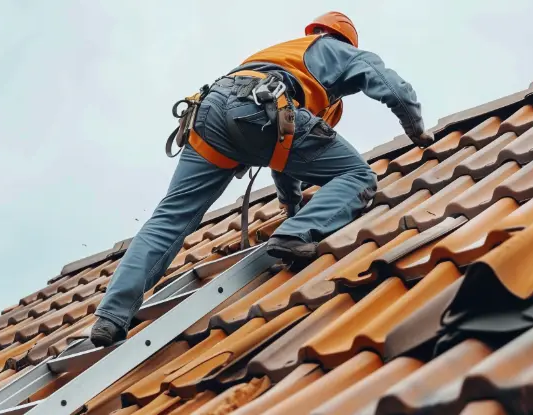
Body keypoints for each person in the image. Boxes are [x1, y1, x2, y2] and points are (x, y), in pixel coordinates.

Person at [90, 11, 432, 346]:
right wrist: (417, 131)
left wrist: (292, 205)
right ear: (341, 40)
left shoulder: (286, 53)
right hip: (258, 110)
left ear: (315, 30)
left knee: (170, 218)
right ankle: (297, 234)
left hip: (211, 114)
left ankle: (111, 315)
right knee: (357, 175)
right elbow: (394, 89)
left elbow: (285, 157)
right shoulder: (341, 51)